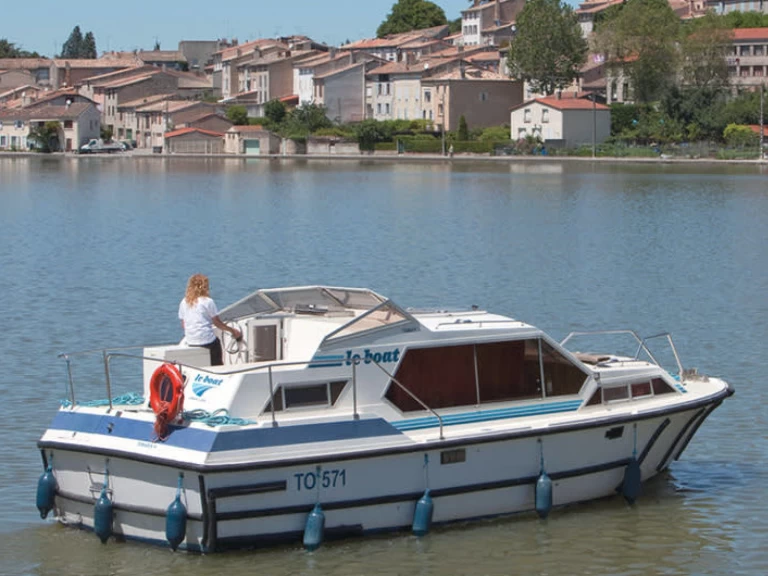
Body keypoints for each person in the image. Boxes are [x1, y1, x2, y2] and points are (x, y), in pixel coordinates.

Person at [178, 274, 241, 366]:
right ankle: (218, 367)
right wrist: (232, 331)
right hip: (206, 341)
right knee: (216, 342)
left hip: (191, 341)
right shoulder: (207, 301)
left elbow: (184, 324)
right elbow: (217, 323)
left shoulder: (184, 302)